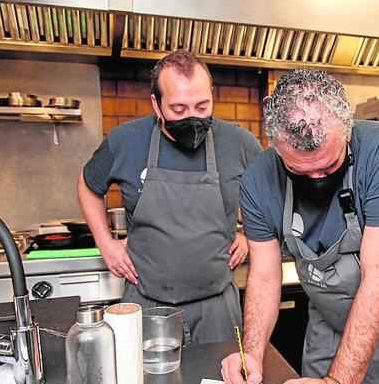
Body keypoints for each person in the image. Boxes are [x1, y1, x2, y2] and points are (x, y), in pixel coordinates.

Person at [221, 69, 379, 384]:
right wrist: (252, 353)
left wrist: (337, 382)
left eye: (330, 166)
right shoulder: (258, 181)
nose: (317, 180)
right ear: (275, 145)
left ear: (347, 129)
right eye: (298, 171)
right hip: (329, 325)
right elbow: (263, 277)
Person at [78, 50, 262, 344]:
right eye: (178, 109)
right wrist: (105, 243)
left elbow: (269, 196)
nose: (192, 117)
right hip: (146, 304)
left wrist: (249, 236)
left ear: (212, 95)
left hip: (217, 309)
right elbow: (88, 185)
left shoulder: (240, 143)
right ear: (157, 104)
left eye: (202, 106)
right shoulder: (126, 140)